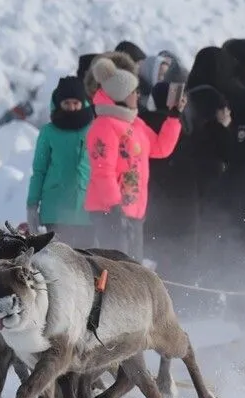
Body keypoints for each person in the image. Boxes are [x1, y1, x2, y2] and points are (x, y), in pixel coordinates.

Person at [84, 56, 183, 262]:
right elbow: (103, 170)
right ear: (121, 95)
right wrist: (115, 208)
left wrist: (173, 118)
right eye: (133, 91)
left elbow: (160, 148)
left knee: (133, 269)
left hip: (133, 212)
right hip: (110, 211)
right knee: (115, 268)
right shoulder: (104, 125)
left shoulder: (135, 123)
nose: (138, 95)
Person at [26, 76, 94, 247]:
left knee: (86, 259)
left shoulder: (94, 130)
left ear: (83, 103)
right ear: (58, 104)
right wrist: (32, 204)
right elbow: (39, 171)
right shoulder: (48, 132)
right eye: (66, 103)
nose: (71, 108)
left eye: (76, 103)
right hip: (55, 211)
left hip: (86, 210)